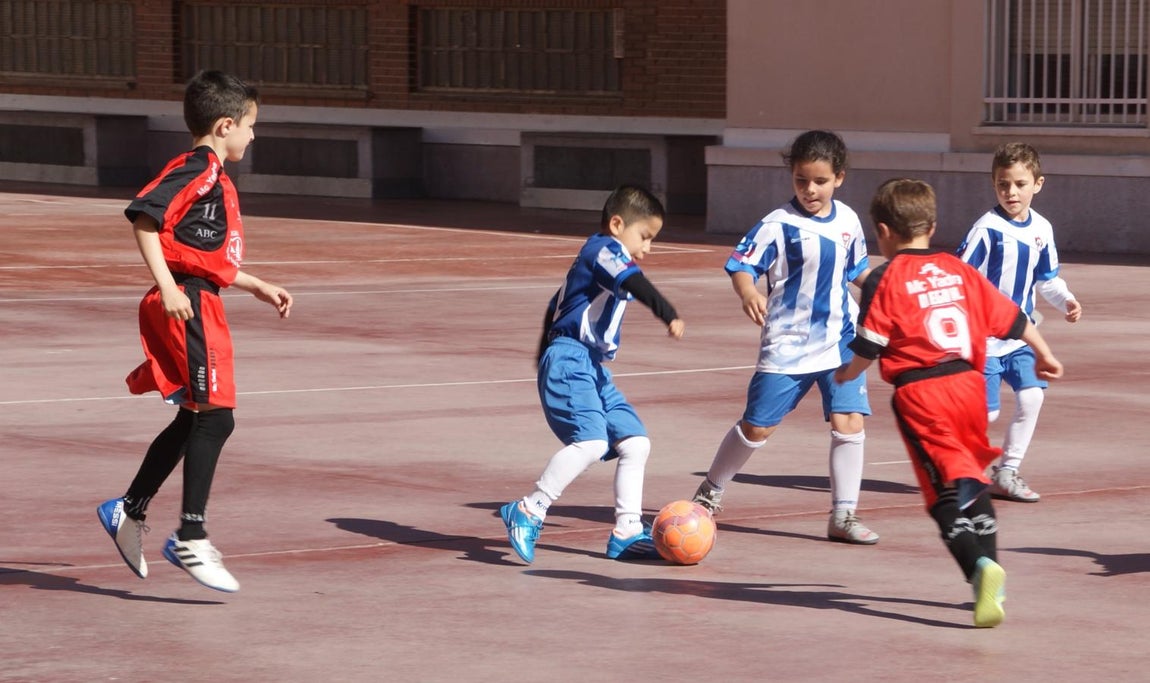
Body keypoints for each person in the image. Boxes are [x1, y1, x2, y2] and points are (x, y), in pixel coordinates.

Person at [97, 70, 293, 593]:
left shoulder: (213, 176)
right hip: (188, 305)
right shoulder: (197, 168)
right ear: (225, 125)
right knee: (217, 418)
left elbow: (200, 252)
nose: (253, 136)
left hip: (200, 296)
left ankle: (129, 509)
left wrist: (253, 283)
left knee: (197, 418)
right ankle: (191, 534)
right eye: (251, 126)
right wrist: (167, 287)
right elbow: (143, 218)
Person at [836, 178, 1063, 627]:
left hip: (921, 393)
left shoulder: (886, 277)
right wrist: (1046, 352)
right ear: (933, 225)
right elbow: (1013, 318)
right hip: (970, 387)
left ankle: (978, 568)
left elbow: (870, 344)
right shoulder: (959, 270)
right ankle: (991, 577)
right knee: (971, 478)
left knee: (939, 493)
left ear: (881, 232)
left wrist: (844, 374)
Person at [689, 130, 879, 544]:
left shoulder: (848, 220)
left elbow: (856, 270)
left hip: (841, 340)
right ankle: (711, 490)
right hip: (788, 346)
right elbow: (742, 265)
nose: (810, 189)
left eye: (820, 181)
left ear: (839, 178)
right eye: (801, 180)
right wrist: (748, 291)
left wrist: (882, 286)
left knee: (849, 421)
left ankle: (843, 515)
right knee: (757, 429)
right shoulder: (777, 225)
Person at [501, 185, 685, 564]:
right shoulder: (603, 250)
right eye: (645, 237)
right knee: (591, 443)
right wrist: (667, 311)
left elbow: (554, 306)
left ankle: (627, 531)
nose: (647, 248)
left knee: (636, 443)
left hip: (590, 365)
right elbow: (634, 281)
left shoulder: (593, 261)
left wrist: (542, 353)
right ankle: (530, 508)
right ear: (617, 224)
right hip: (570, 361)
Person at [957, 142, 1082, 503]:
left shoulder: (1042, 228)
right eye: (1002, 185)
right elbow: (961, 278)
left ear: (1037, 184)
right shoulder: (987, 229)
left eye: (1019, 184)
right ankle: (957, 463)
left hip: (1021, 337)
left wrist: (1067, 300)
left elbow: (1048, 280)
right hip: (983, 341)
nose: (1011, 192)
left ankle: (1007, 471)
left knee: (1031, 398)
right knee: (988, 414)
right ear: (993, 185)